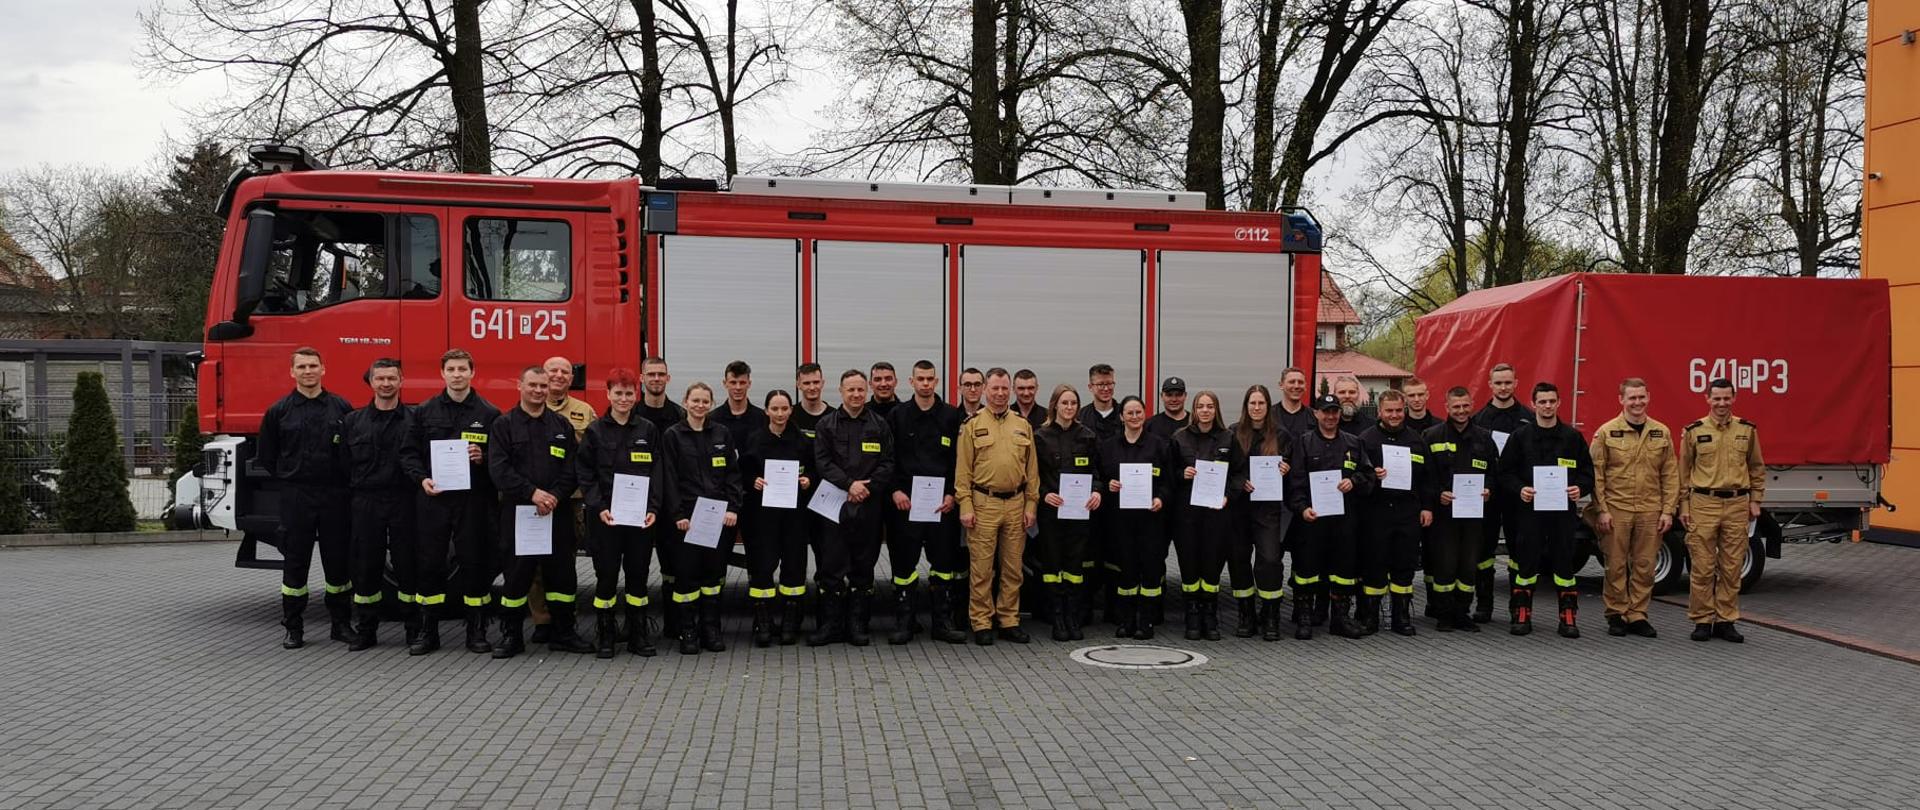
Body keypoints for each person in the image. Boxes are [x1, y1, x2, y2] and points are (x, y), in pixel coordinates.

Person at [401, 349, 501, 655]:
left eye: (462, 369)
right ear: (442, 374)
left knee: (474, 563)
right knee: (430, 564)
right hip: (434, 499)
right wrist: (421, 479)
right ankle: (427, 632)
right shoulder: (424, 411)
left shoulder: (489, 414)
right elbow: (408, 453)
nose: (457, 374)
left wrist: (483, 458)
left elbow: (501, 461)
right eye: (451, 369)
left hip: (472, 502)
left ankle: (477, 631)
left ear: (473, 373)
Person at [486, 366, 590, 658]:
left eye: (543, 386)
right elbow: (499, 468)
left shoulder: (560, 426)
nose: (538, 390)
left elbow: (573, 468)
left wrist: (555, 495)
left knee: (563, 576)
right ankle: (512, 636)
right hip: (519, 513)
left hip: (555, 513)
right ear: (519, 385)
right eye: (532, 385)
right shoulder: (503, 425)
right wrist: (532, 493)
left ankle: (564, 632)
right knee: (518, 576)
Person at [257, 347, 355, 649]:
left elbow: (351, 452)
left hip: (334, 495)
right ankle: (294, 627)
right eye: (301, 366)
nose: (308, 371)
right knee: (295, 563)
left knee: (338, 565)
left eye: (313, 365)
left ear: (324, 369)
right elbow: (267, 457)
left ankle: (340, 624)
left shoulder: (341, 408)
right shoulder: (279, 411)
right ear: (292, 372)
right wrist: (291, 478)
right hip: (296, 496)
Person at [1497, 382, 1595, 638]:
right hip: (1530, 513)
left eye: (1552, 401)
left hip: (1562, 514)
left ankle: (1568, 617)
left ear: (1559, 403)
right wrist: (1520, 489)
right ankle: (1521, 615)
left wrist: (1579, 489)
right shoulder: (1521, 437)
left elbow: (1588, 473)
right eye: (1542, 402)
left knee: (1564, 565)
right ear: (1534, 404)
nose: (1547, 406)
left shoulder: (1572, 438)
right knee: (1526, 564)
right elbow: (1504, 473)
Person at [577, 368, 662, 658]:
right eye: (618, 393)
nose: (624, 399)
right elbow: (585, 473)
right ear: (608, 394)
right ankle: (606, 634)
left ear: (635, 395)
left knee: (638, 576)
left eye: (629, 393)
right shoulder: (595, 431)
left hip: (640, 520)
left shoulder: (647, 430)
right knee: (606, 577)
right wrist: (598, 507)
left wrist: (653, 508)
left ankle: (638, 634)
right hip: (606, 519)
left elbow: (657, 473)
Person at [810, 370, 896, 646]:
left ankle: (858, 625)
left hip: (868, 506)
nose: (856, 395)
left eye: (861, 390)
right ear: (841, 391)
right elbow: (822, 462)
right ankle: (830, 626)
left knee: (863, 565)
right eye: (851, 390)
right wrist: (849, 485)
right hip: (835, 505)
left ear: (867, 390)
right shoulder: (827, 425)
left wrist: (866, 488)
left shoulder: (880, 424)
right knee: (832, 566)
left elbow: (888, 463)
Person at [955, 368, 1041, 645]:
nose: (1001, 393)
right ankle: (981, 621)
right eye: (995, 389)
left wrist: (1031, 505)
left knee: (1013, 568)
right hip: (984, 504)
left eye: (1005, 389)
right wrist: (965, 505)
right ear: (985, 390)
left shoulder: (1022, 424)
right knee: (981, 569)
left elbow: (1033, 471)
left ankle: (1008, 619)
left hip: (1016, 504)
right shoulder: (972, 425)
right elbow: (962, 472)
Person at [1588, 377, 1678, 639]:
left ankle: (1638, 614)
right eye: (1632, 398)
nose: (1637, 402)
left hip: (1651, 509)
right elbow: (1597, 475)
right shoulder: (1606, 432)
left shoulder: (1661, 432)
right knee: (1615, 565)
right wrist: (1601, 510)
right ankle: (1616, 613)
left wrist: (1667, 510)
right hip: (1617, 508)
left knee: (1645, 565)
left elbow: (1670, 475)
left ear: (1648, 397)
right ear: (1621, 400)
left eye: (1641, 397)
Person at [885, 360, 967, 644]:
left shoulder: (950, 416)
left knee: (943, 563)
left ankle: (942, 623)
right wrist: (895, 490)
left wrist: (953, 495)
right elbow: (888, 458)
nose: (925, 384)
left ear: (936, 381)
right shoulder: (897, 416)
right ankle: (904, 623)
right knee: (904, 565)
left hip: (941, 505)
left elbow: (960, 460)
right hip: (905, 504)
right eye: (920, 379)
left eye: (930, 379)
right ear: (911, 381)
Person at [659, 382, 744, 654]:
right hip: (687, 519)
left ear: (710, 403)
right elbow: (668, 478)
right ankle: (688, 631)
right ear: (685, 402)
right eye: (695, 400)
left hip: (717, 518)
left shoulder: (721, 433)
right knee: (686, 577)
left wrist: (733, 508)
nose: (700, 405)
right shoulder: (672, 435)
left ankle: (711, 629)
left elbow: (733, 474)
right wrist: (677, 515)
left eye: (705, 401)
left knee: (714, 575)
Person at [1678, 378, 1765, 643]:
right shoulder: (1694, 431)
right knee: (1702, 567)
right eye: (1716, 398)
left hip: (1737, 504)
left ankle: (1726, 620)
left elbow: (1757, 467)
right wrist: (1683, 504)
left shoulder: (1747, 430)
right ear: (1707, 399)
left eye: (1726, 398)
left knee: (1731, 566)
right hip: (1704, 503)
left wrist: (1755, 500)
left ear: (1734, 398)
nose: (1722, 403)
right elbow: (1683, 472)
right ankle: (1702, 620)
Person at [338, 358, 416, 652]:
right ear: (370, 382)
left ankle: (413, 628)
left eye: (391, 378)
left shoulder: (414, 420)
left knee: (408, 565)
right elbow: (343, 463)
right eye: (380, 378)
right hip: (366, 500)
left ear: (401, 381)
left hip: (403, 499)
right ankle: (366, 629)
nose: (386, 383)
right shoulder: (353, 422)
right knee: (365, 566)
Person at [1285, 394, 1374, 640]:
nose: (1331, 416)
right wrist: (1302, 508)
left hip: (1344, 521)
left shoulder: (1353, 443)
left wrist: (1353, 480)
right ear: (1316, 414)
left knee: (1343, 571)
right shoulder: (1303, 443)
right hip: (1311, 520)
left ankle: (1340, 618)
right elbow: (1295, 484)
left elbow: (1368, 476)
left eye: (1334, 412)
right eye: (1326, 412)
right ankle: (1304, 617)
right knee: (1305, 571)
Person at [743, 390, 816, 646]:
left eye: (784, 408)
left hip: (795, 516)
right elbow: (741, 473)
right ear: (766, 411)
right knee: (763, 565)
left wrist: (809, 481)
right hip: (763, 516)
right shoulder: (753, 440)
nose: (780, 414)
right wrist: (754, 481)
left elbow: (815, 470)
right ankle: (763, 622)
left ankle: (789, 621)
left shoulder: (803, 441)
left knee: (794, 566)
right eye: (775, 409)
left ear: (791, 410)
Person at [531, 355, 596, 643]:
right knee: (534, 564)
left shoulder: (585, 412)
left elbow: (593, 455)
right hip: (534, 500)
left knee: (564, 561)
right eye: (552, 370)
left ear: (572, 379)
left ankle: (563, 620)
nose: (558, 375)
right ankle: (542, 621)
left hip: (570, 499)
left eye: (564, 372)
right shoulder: (527, 410)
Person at [1419, 387, 1495, 633]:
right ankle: (1444, 614)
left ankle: (1462, 612)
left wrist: (1489, 491)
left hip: (1473, 515)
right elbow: (1425, 476)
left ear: (1471, 404)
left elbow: (1495, 473)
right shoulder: (1432, 436)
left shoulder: (1484, 437)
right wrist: (1438, 494)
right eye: (1456, 407)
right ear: (1447, 407)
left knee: (1468, 565)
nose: (1461, 411)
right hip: (1444, 515)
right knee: (1445, 565)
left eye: (1465, 406)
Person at [1170, 390, 1244, 641]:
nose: (1204, 410)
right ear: (1194, 409)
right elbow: (1167, 475)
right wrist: (1182, 474)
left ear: (1216, 410)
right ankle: (1192, 614)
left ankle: (1209, 616)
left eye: (1209, 406)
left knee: (1212, 566)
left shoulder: (1228, 438)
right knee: (1189, 565)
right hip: (1187, 515)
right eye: (1200, 406)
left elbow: (1239, 474)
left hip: (1216, 514)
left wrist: (1228, 496)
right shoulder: (1179, 438)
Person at [1356, 390, 1428, 637]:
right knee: (1374, 564)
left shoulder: (1417, 440)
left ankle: (1401, 616)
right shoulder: (1366, 440)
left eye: (1398, 410)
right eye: (1389, 410)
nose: (1395, 415)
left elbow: (1427, 479)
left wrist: (1427, 507)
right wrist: (1372, 477)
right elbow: (1357, 477)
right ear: (1380, 412)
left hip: (1407, 512)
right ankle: (1370, 616)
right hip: (1376, 512)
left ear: (1404, 410)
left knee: (1404, 565)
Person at [1100, 396, 1171, 639]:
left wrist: (1161, 497)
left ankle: (1147, 621)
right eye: (1129, 413)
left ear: (1144, 414)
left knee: (1150, 568)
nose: (1134, 417)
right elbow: (1101, 477)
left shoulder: (1159, 445)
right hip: (1121, 520)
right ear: (1121, 417)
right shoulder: (1109, 447)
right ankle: (1126, 620)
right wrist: (1109, 485)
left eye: (1138, 412)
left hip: (1151, 519)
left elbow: (1168, 480)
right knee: (1126, 569)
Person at [1035, 385, 1102, 641]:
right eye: (1064, 403)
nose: (1069, 407)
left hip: (1079, 514)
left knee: (1075, 566)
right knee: (1052, 565)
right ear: (1054, 405)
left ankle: (1073, 616)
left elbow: (1097, 472)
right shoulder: (1040, 436)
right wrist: (1043, 494)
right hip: (1052, 513)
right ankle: (1057, 618)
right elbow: (1032, 475)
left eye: (1073, 403)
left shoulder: (1087, 436)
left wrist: (1096, 491)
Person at [1471, 363, 1533, 623]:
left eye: (1508, 382)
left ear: (1516, 383)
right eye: (1499, 383)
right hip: (1488, 496)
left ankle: (1517, 606)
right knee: (1483, 552)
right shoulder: (1479, 420)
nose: (1503, 387)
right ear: (1490, 385)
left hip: (1517, 496)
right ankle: (1484, 605)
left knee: (1518, 553)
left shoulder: (1528, 418)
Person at [1229, 385, 1291, 641]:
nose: (1256, 408)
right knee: (1239, 560)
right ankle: (1246, 614)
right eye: (1252, 403)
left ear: (1268, 406)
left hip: (1268, 510)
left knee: (1269, 560)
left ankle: (1270, 615)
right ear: (1246, 406)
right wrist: (1240, 482)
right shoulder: (1233, 433)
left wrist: (1286, 470)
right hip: (1240, 509)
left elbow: (1293, 472)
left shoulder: (1282, 435)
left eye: (1261, 403)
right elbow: (1227, 470)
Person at [635, 355, 688, 638]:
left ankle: (673, 624)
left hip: (669, 504)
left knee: (672, 564)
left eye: (661, 374)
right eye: (650, 374)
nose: (656, 379)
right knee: (637, 565)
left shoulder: (679, 415)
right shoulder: (631, 414)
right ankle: (638, 626)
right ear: (641, 378)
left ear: (668, 379)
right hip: (637, 504)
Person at [1079, 363, 1125, 624]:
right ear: (1090, 387)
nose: (1105, 389)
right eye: (1100, 384)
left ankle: (1114, 608)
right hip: (1090, 497)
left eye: (1109, 384)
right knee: (1088, 554)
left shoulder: (1124, 414)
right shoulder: (1082, 417)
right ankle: (1085, 607)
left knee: (1116, 554)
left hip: (1120, 498)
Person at [712, 360, 769, 445]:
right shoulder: (713, 419)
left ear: (749, 384)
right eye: (733, 382)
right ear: (725, 384)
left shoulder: (763, 418)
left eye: (742, 383)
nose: (738, 387)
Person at [1274, 368, 1315, 442]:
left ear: (1305, 386)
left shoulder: (1314, 417)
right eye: (1292, 382)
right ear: (1281, 385)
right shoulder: (1270, 415)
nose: (1296, 386)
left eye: (1300, 382)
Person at [793, 363, 833, 436]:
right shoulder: (790, 416)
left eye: (816, 382)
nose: (812, 387)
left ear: (822, 383)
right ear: (798, 385)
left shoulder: (834, 417)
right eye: (806, 383)